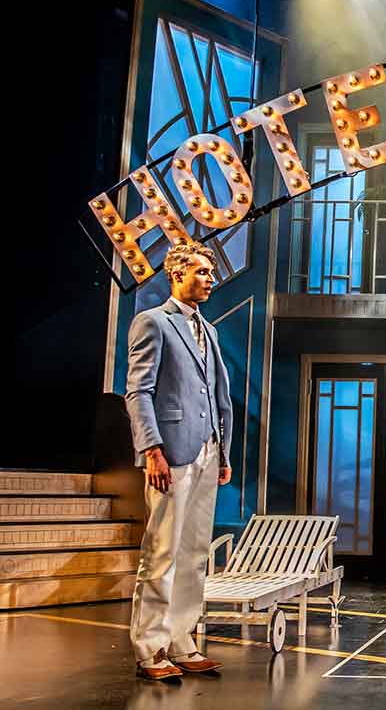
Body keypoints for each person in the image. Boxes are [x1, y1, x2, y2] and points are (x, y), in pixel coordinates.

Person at [126, 242, 233, 680]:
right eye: (204, 272)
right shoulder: (153, 322)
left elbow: (217, 394)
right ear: (177, 273)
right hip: (170, 453)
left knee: (193, 554)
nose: (211, 279)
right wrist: (152, 449)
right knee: (163, 551)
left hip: (207, 452)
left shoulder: (209, 330)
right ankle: (150, 648)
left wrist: (223, 452)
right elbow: (139, 391)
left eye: (211, 273)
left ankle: (182, 641)